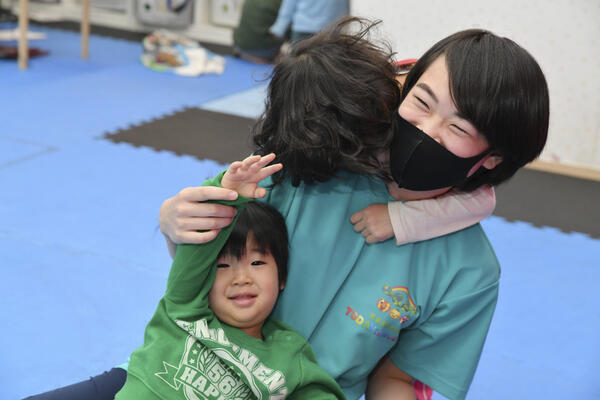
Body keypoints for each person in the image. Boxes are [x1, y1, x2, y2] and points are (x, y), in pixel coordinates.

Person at [25, 17, 549, 400]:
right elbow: (207, 247)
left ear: (491, 158)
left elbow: (403, 377)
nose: (427, 131)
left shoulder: (468, 271)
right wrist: (175, 220)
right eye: (421, 102)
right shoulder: (318, 163)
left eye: (457, 128)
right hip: (180, 372)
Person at [115, 153, 345, 399]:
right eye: (223, 266)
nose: (241, 278)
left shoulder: (288, 353)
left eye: (257, 262)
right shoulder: (183, 309)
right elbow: (198, 251)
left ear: (282, 278)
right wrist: (227, 194)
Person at [269, 0, 349, 42]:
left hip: (303, 29)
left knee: (299, 67)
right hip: (331, 30)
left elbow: (288, 5)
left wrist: (279, 28)